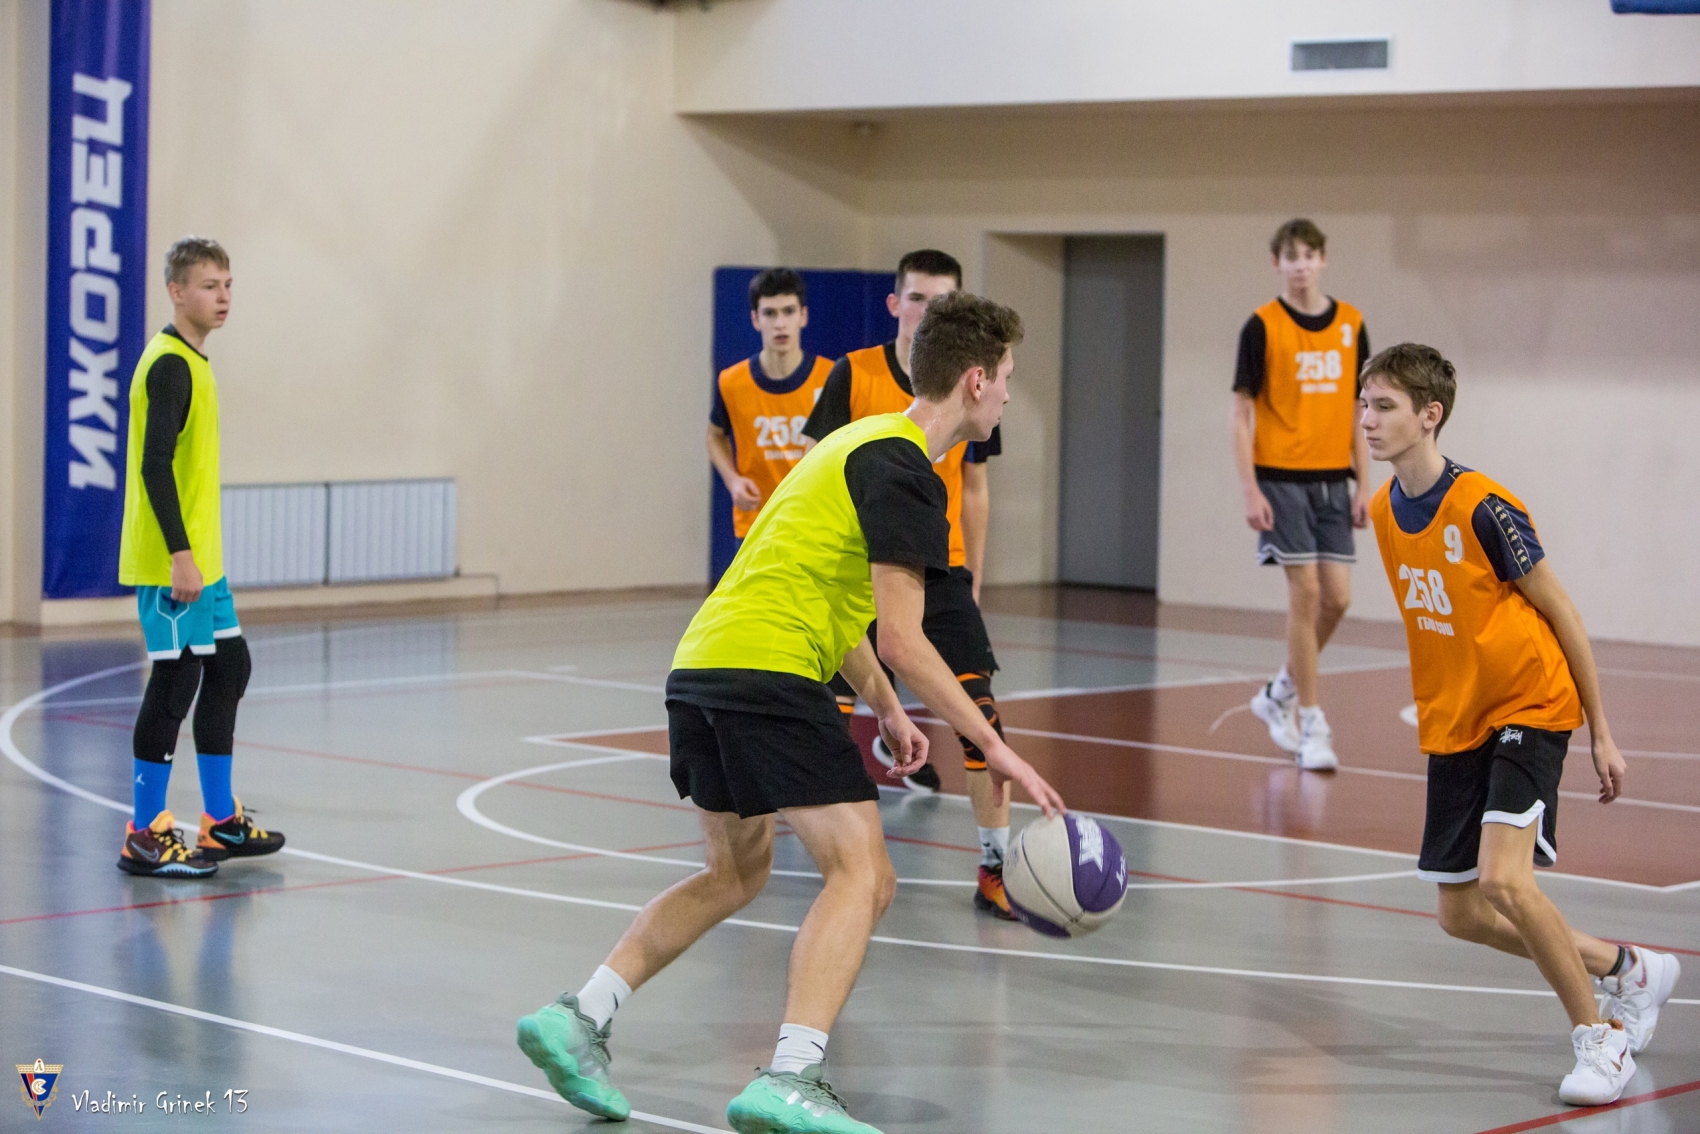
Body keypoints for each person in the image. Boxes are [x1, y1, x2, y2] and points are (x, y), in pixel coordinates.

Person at [517, 294, 1064, 1134]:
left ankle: (579, 1015)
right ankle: (792, 1076)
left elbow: (832, 600)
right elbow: (906, 639)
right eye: (1008, 379)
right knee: (864, 874)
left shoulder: (852, 443)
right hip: (770, 673)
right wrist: (996, 747)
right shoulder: (909, 470)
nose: (1008, 398)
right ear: (976, 380)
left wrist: (886, 707)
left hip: (702, 667)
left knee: (734, 874)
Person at [1360, 342, 1679, 1107]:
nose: (1367, 419)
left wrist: (1600, 730)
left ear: (1429, 415)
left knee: (1505, 879)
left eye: (1384, 406)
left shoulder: (1484, 506)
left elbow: (1562, 610)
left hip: (1529, 704)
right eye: (1364, 405)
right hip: (1456, 719)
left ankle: (1600, 1040)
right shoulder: (1381, 511)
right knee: (1461, 914)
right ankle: (1629, 968)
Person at [801, 249, 1017, 920]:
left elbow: (975, 487)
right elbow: (817, 466)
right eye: (920, 298)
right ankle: (838, 858)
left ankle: (996, 869)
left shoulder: (976, 400)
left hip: (937, 565)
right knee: (827, 718)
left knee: (981, 717)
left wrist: (973, 577)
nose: (931, 310)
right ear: (897, 304)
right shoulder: (856, 375)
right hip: (860, 567)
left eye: (943, 300)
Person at [116, 237, 284, 878]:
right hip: (174, 561)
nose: (223, 297)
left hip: (203, 562)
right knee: (175, 681)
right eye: (209, 285)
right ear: (176, 291)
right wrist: (180, 556)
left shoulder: (194, 360)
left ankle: (219, 821)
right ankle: (144, 835)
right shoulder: (169, 366)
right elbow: (154, 465)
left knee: (230, 666)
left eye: (228, 284)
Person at [1231, 218, 1371, 772]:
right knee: (1306, 592)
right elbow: (1240, 415)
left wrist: (1365, 482)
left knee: (1339, 599)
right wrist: (1250, 488)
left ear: (1323, 259)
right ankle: (1311, 722)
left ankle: (1279, 692)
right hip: (1280, 478)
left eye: (1309, 255)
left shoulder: (1352, 324)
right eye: (1291, 256)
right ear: (1277, 263)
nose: (1301, 265)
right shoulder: (1261, 326)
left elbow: (1361, 409)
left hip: (1334, 480)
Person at [708, 268, 834, 557]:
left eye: (788, 311)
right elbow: (714, 435)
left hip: (813, 525)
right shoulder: (732, 382)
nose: (780, 324)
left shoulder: (830, 378)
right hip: (755, 526)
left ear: (803, 316)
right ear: (755, 319)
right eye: (769, 313)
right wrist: (732, 480)